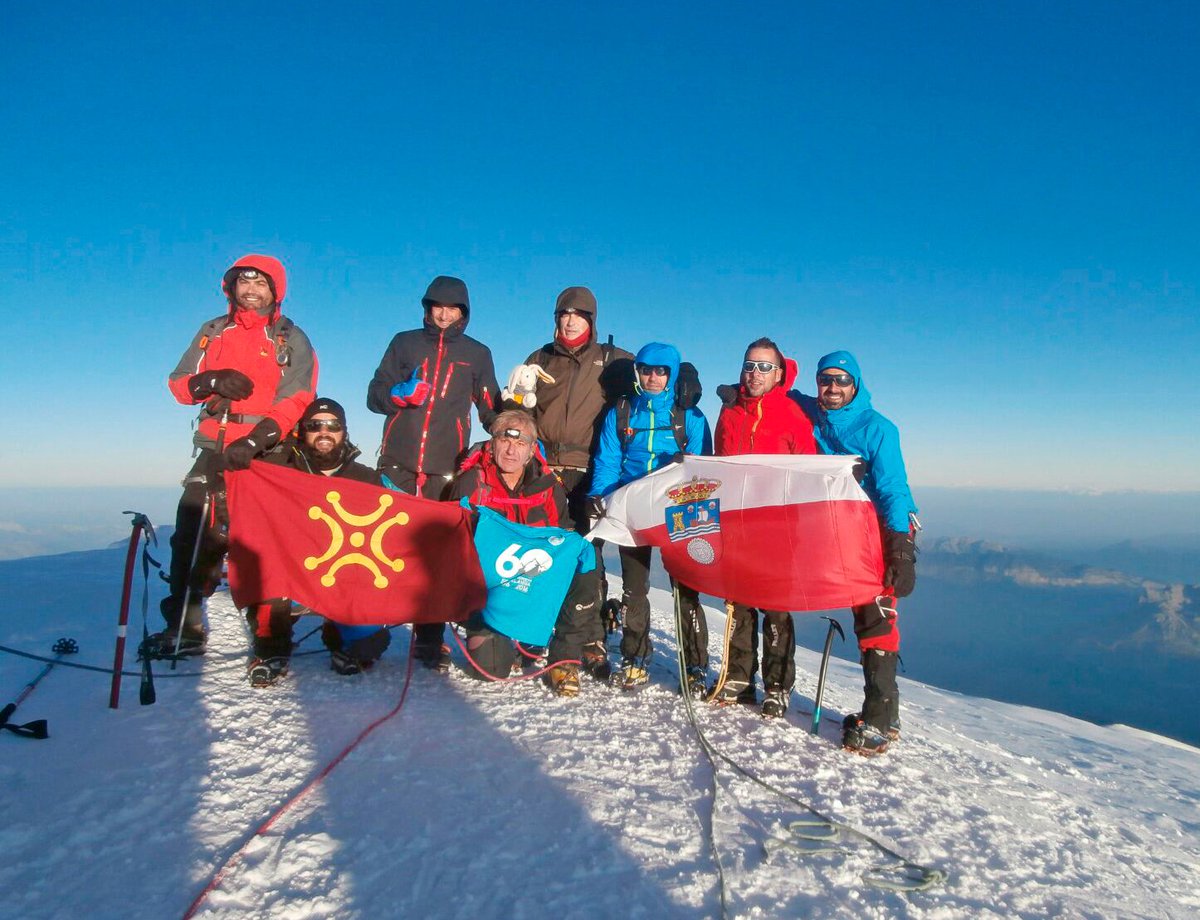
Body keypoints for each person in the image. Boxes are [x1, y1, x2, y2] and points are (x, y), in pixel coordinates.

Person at [144, 254, 318, 658]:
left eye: (261, 284)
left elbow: (298, 396)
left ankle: (270, 633)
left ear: (276, 291)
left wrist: (257, 439)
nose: (252, 291)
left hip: (267, 450)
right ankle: (185, 624)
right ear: (232, 287)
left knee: (264, 543)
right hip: (214, 445)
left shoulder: (289, 337)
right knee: (192, 531)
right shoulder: (212, 332)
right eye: (245, 283)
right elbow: (178, 384)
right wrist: (208, 380)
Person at [366, 275, 499, 668]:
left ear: (464, 312)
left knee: (434, 557)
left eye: (452, 307)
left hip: (444, 468)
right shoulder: (404, 342)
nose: (443, 314)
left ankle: (428, 639)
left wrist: (516, 427)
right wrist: (396, 394)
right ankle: (367, 631)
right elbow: (374, 393)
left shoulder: (477, 354)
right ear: (426, 308)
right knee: (385, 546)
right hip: (397, 463)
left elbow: (489, 406)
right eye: (436, 306)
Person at [793, 350, 918, 755]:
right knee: (864, 611)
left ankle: (879, 720)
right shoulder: (813, 413)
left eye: (841, 381)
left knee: (875, 615)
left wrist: (901, 549)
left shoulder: (878, 427)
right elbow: (784, 385)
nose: (832, 388)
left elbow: (894, 488)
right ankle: (887, 714)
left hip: (877, 531)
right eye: (825, 380)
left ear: (856, 385)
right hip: (838, 529)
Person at [518, 286, 634, 679]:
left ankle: (590, 637)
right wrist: (516, 397)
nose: (569, 321)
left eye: (578, 314)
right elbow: (517, 418)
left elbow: (656, 384)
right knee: (542, 552)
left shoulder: (613, 360)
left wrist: (684, 381)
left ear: (591, 320)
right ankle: (538, 629)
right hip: (544, 467)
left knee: (589, 558)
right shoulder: (539, 359)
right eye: (563, 314)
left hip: (590, 470)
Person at [589, 342, 712, 692]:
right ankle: (635, 655)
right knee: (634, 588)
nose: (653, 377)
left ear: (672, 374)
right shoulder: (623, 411)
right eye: (646, 370)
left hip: (678, 511)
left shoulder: (690, 415)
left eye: (661, 371)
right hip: (633, 506)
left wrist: (685, 471)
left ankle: (695, 665)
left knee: (686, 590)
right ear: (637, 372)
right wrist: (599, 495)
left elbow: (703, 464)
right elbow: (608, 458)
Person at [447, 410, 594, 696]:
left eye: (521, 443)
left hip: (531, 585)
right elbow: (453, 541)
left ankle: (564, 659)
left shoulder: (549, 488)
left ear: (531, 451)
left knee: (587, 564)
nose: (511, 450)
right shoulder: (472, 482)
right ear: (492, 443)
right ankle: (492, 635)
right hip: (486, 594)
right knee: (492, 669)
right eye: (505, 440)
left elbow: (562, 537)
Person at [247, 397, 392, 686]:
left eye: (333, 426)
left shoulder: (367, 478)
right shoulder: (283, 473)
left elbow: (395, 523)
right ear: (303, 431)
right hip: (293, 571)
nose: (324, 432)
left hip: (346, 570)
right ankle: (272, 650)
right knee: (268, 571)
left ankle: (340, 640)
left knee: (369, 646)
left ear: (344, 432)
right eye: (314, 425)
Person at [711, 338, 818, 717]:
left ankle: (777, 685)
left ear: (778, 374)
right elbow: (717, 467)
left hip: (778, 527)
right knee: (738, 603)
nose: (754, 373)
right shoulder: (730, 413)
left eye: (763, 367)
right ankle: (739, 677)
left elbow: (809, 473)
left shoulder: (792, 415)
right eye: (749, 365)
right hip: (737, 523)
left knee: (775, 608)